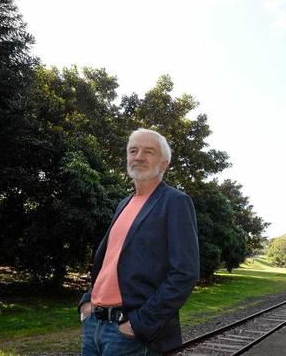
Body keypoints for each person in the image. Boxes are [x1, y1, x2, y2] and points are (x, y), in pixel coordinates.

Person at [78, 128, 199, 355]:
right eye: (133, 150)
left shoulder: (175, 202)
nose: (139, 156)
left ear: (164, 164)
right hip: (95, 324)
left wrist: (139, 323)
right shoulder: (123, 203)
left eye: (148, 151)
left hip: (131, 333)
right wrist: (87, 301)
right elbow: (108, 262)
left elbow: (185, 272)